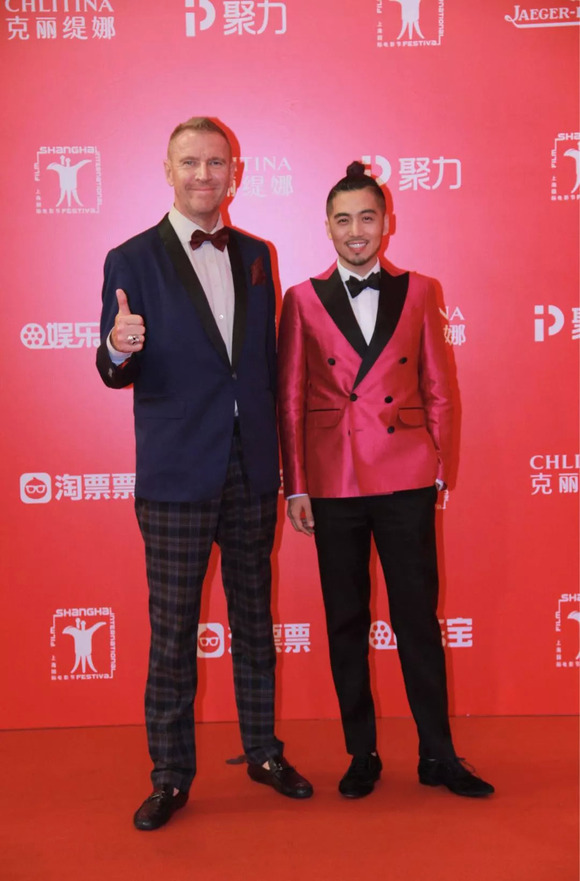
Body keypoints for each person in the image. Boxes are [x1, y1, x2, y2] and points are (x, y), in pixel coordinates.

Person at [97, 117, 313, 831]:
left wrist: (284, 467)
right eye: (190, 162)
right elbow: (111, 366)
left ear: (234, 173)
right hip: (176, 472)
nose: (203, 175)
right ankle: (170, 776)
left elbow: (264, 366)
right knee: (173, 635)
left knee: (254, 622)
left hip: (251, 468)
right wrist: (119, 345)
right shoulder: (131, 258)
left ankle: (263, 752)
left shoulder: (256, 254)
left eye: (216, 163)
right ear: (168, 170)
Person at [277, 161, 494, 800]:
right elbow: (290, 398)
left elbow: (439, 385)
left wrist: (440, 468)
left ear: (386, 223)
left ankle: (438, 755)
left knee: (417, 619)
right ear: (326, 226)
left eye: (366, 218)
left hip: (405, 475)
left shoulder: (420, 290)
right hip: (333, 478)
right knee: (346, 620)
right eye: (343, 219)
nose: (356, 231)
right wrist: (296, 484)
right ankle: (362, 753)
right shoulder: (302, 299)